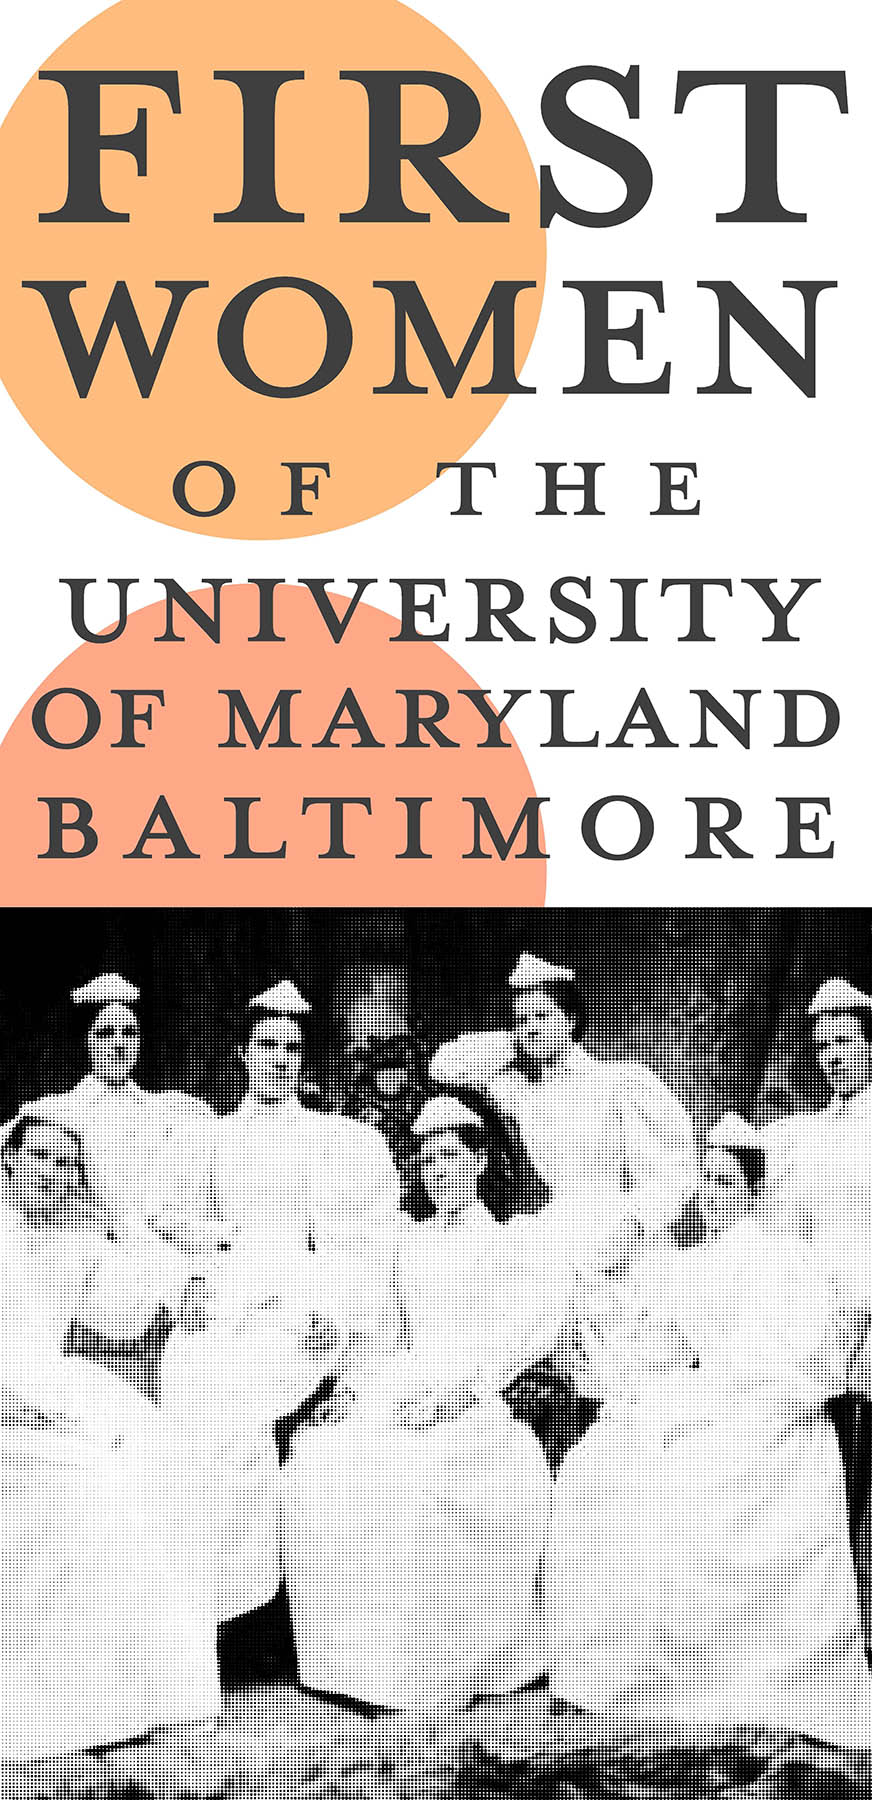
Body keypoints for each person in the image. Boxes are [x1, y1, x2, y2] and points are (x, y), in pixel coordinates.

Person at [544, 1112, 872, 1747]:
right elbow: (666, 1349)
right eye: (705, 1186)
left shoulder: (786, 1260)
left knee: (699, 1473)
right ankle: (643, 1669)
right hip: (706, 1404)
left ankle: (754, 1676)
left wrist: (700, 1394)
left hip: (771, 1418)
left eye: (723, 1186)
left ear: (750, 1189)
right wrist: (643, 1372)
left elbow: (796, 1366)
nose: (708, 1200)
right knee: (602, 1467)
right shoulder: (685, 1266)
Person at [284, 1092, 570, 1711]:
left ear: (482, 1163)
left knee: (427, 1473)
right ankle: (361, 1659)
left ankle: (445, 1664)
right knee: (326, 1460)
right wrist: (354, 1383)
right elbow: (386, 1327)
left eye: (451, 1158)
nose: (439, 1172)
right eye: (427, 1160)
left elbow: (529, 1330)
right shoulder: (406, 1242)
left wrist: (462, 1390)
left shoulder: (514, 1242)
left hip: (471, 1389)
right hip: (403, 1379)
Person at [161, 979, 401, 1663]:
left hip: (303, 1307)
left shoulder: (335, 1140)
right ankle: (203, 1602)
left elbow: (359, 1244)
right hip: (230, 1300)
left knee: (232, 1426)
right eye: (266, 1045)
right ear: (241, 1052)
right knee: (189, 1391)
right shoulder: (210, 1138)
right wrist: (196, 1284)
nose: (279, 1059)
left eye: (292, 1048)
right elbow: (180, 1229)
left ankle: (234, 1615)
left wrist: (339, 1314)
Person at [0, 1112, 221, 1759]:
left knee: (161, 1474)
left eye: (66, 1163)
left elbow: (124, 1322)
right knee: (71, 1489)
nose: (52, 1171)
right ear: (7, 1159)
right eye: (38, 1156)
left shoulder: (79, 1244)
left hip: (52, 1383)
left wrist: (134, 1237)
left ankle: (135, 1690)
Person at [430, 952, 695, 1272]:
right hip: (558, 1236)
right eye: (521, 1019)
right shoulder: (517, 1090)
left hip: (623, 1238)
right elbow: (444, 1066)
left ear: (570, 1019)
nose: (530, 1028)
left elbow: (675, 1168)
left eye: (542, 1016)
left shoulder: (620, 1083)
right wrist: (513, 1042)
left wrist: (635, 1227)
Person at [25, 972, 213, 1241]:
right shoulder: (50, 1115)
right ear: (84, 1041)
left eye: (129, 1032)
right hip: (81, 1251)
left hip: (157, 1253)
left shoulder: (174, 1113)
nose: (119, 1044)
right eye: (104, 1033)